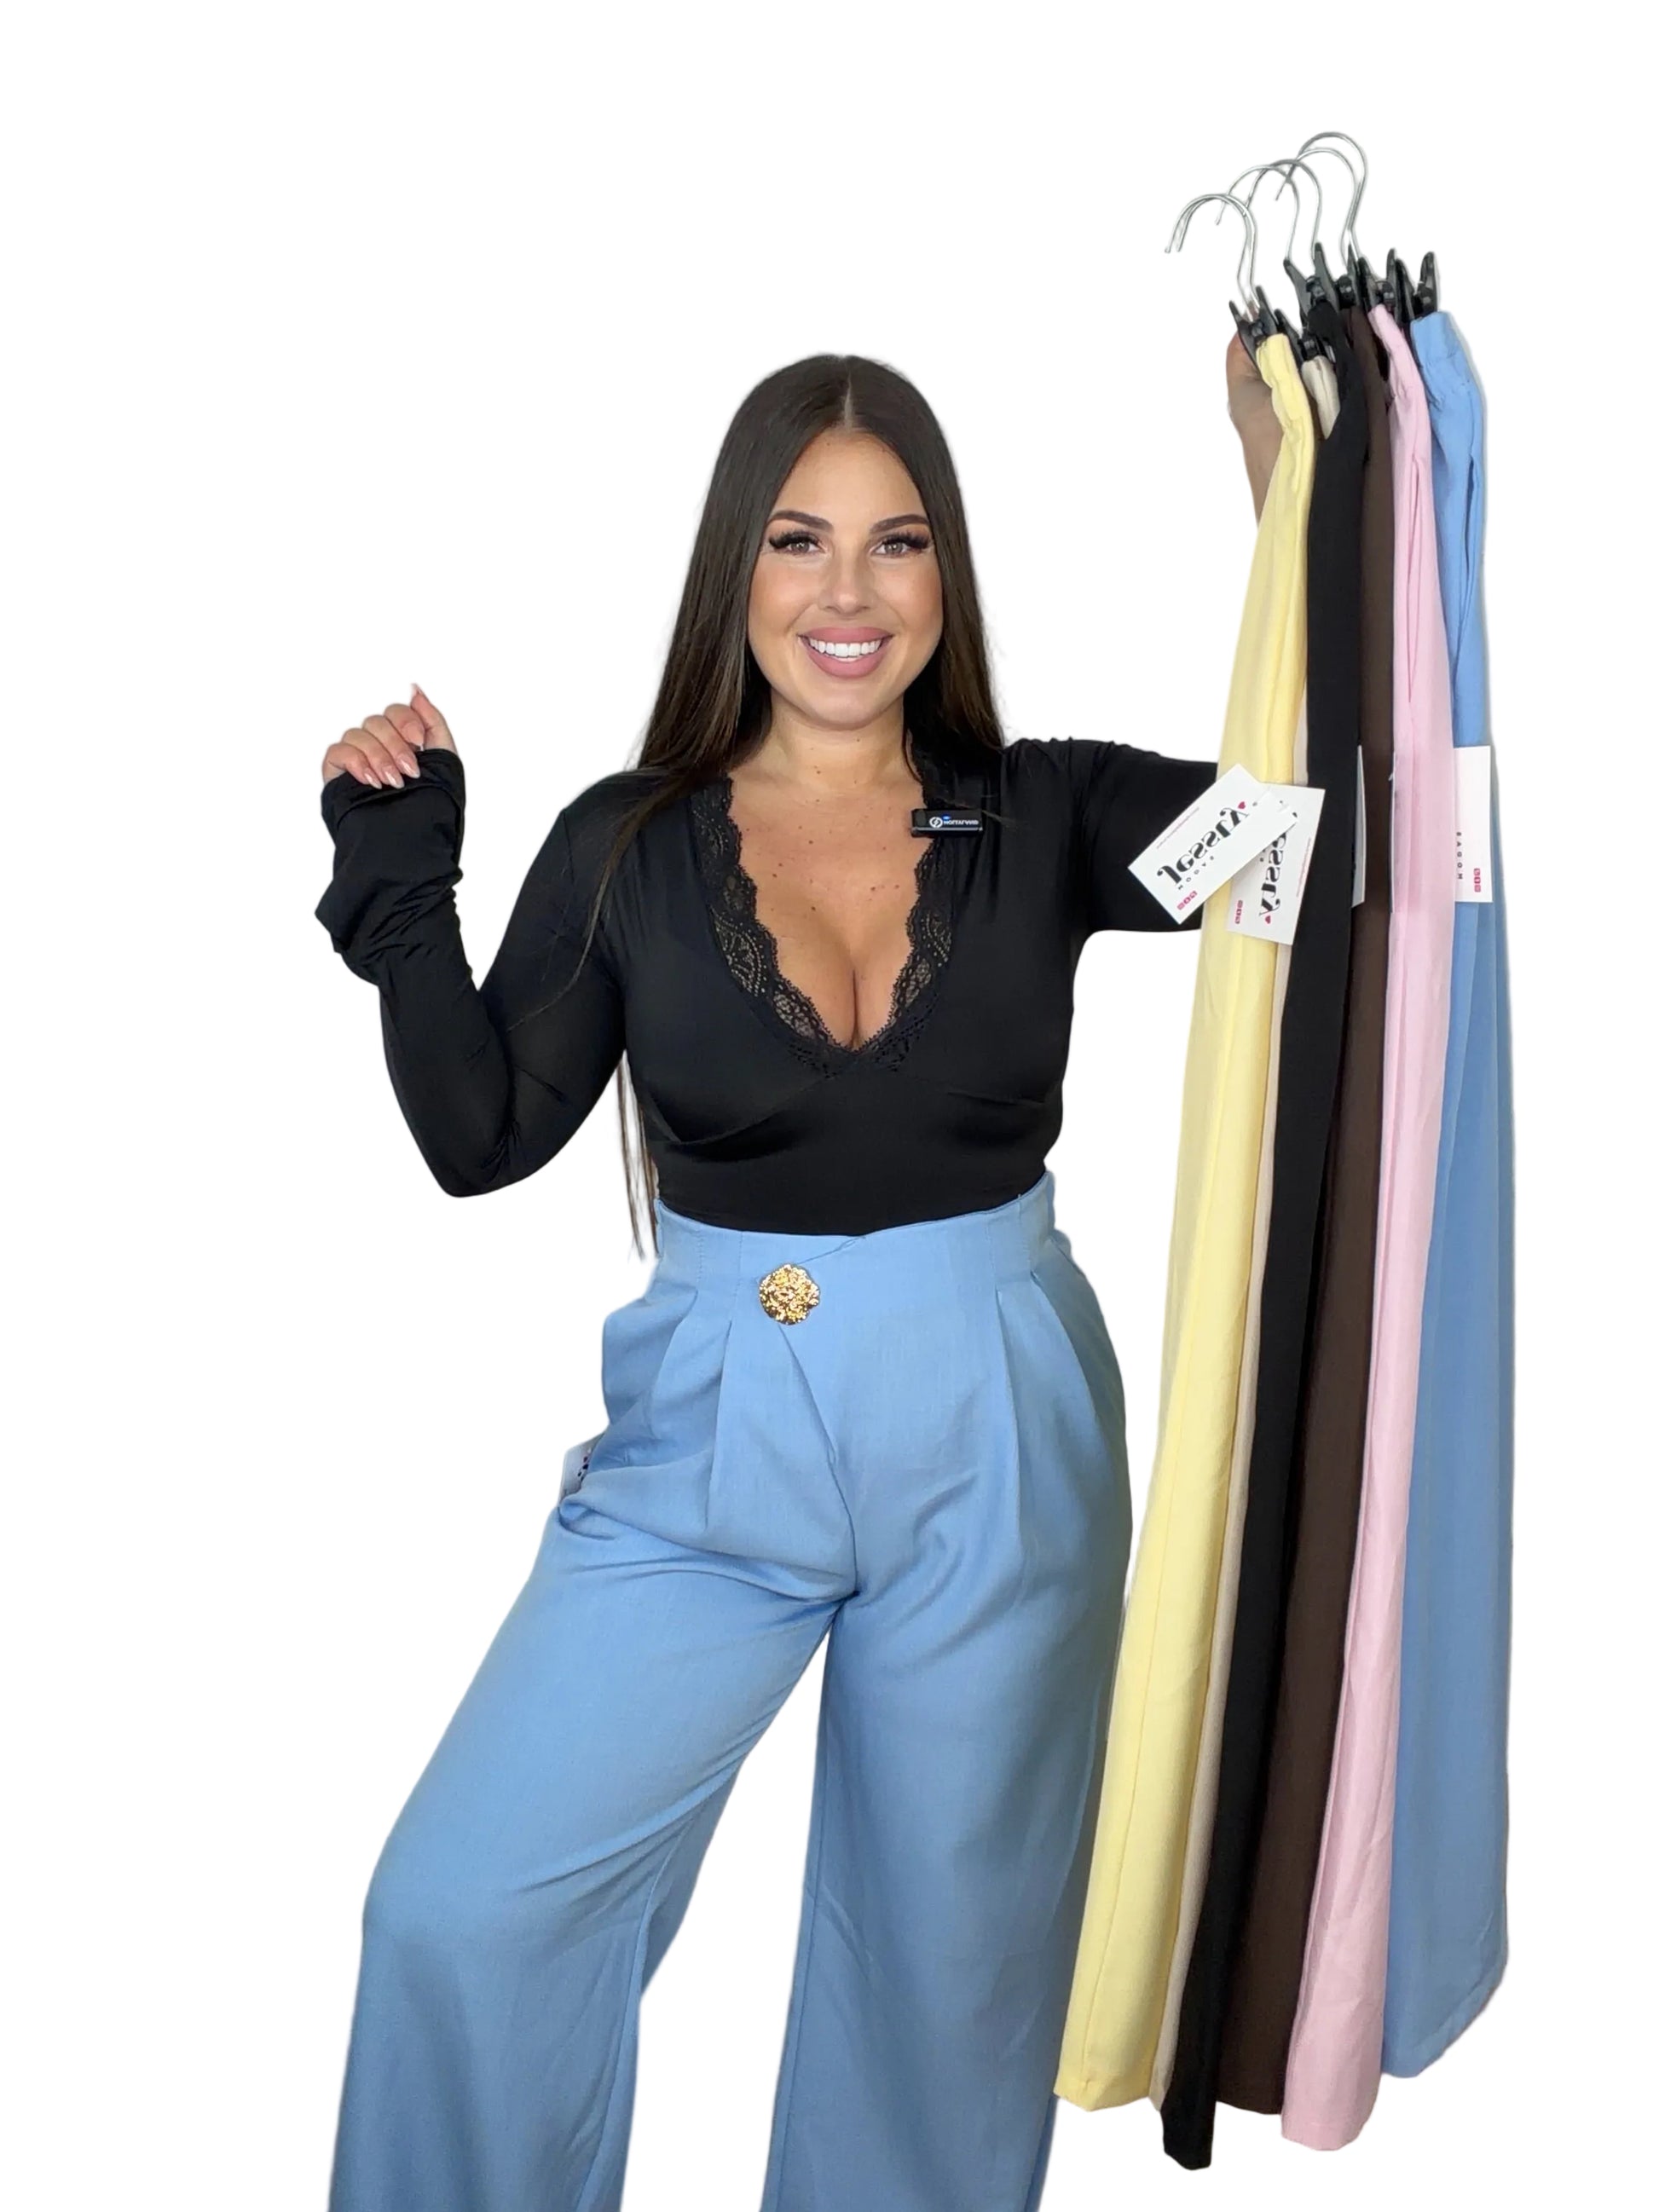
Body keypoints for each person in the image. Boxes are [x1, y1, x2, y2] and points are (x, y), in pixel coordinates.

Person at [314, 344, 1283, 2212]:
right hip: (707, 1449)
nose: (849, 592)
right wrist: (407, 896)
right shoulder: (627, 844)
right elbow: (480, 1134)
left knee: (948, 1988)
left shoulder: (1055, 812)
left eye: (895, 542)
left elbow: (1324, 848)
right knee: (458, 1907)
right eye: (798, 540)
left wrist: (1288, 498)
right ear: (734, 569)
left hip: (1000, 1439)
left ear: (946, 572)